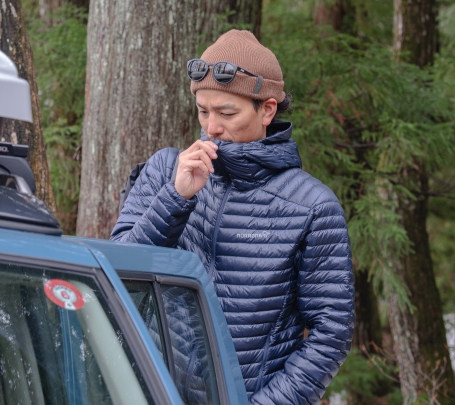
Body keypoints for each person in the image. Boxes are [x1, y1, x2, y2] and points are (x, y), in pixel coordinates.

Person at [111, 29, 355, 404]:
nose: (211, 127)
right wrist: (175, 198)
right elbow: (116, 274)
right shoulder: (165, 171)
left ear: (267, 110)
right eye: (203, 111)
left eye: (227, 113)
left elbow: (332, 332)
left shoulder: (311, 206)